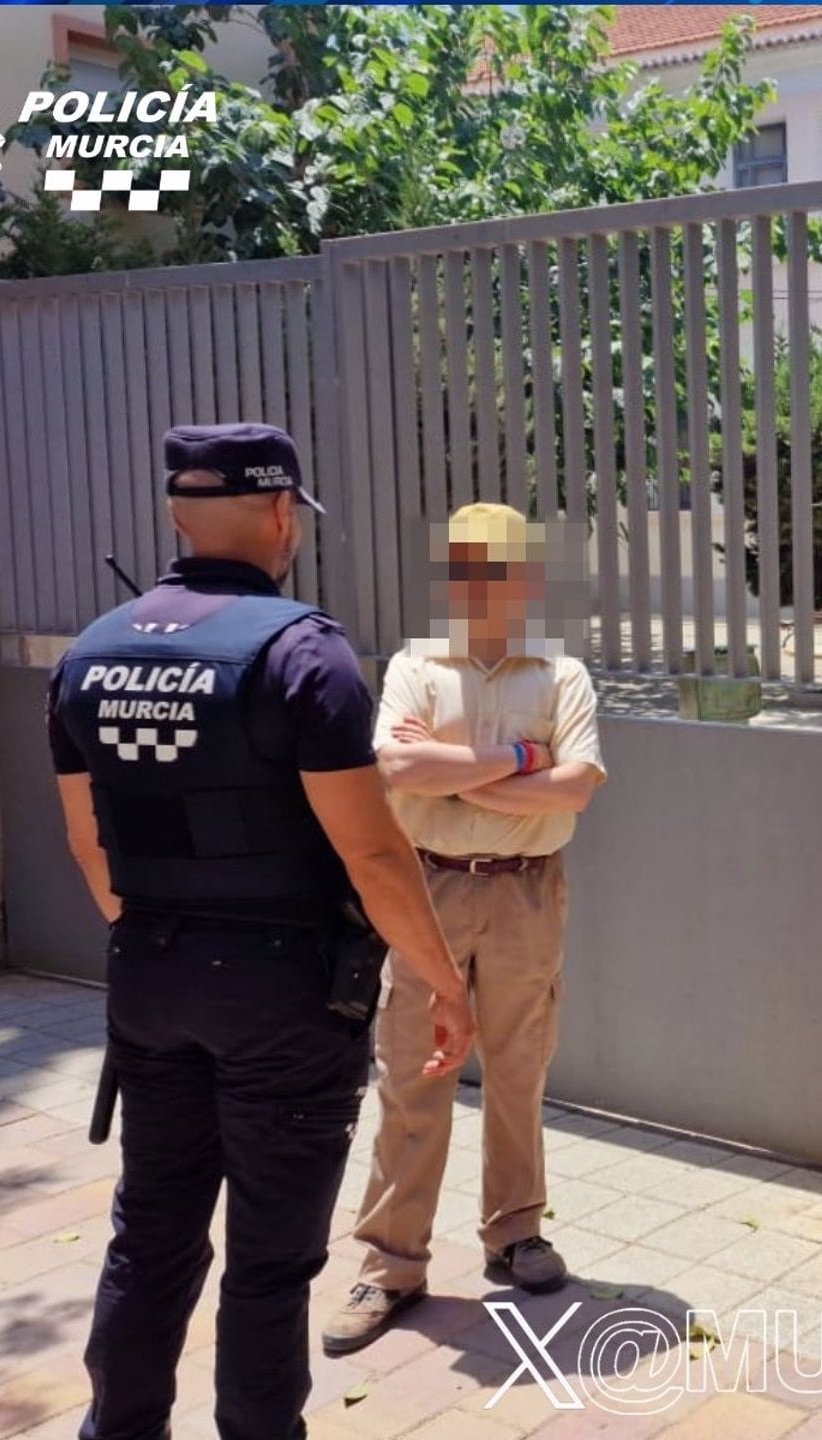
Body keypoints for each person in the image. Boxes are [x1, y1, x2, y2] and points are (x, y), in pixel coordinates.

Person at [47, 421, 475, 1440]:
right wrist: (443, 984)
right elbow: (373, 857)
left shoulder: (89, 654)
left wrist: (164, 939)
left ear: (173, 514)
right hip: (284, 996)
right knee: (271, 1265)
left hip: (147, 979)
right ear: (282, 513)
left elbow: (86, 845)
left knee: (148, 1238)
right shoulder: (301, 654)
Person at [322, 501, 605, 1357]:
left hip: (526, 893)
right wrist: (524, 762)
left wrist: (459, 779)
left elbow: (579, 784)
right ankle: (391, 1263)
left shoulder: (561, 675)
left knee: (519, 1068)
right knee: (413, 1074)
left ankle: (515, 1234)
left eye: (505, 568)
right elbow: (395, 766)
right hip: (427, 889)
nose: (489, 586)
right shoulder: (416, 666)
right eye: (471, 569)